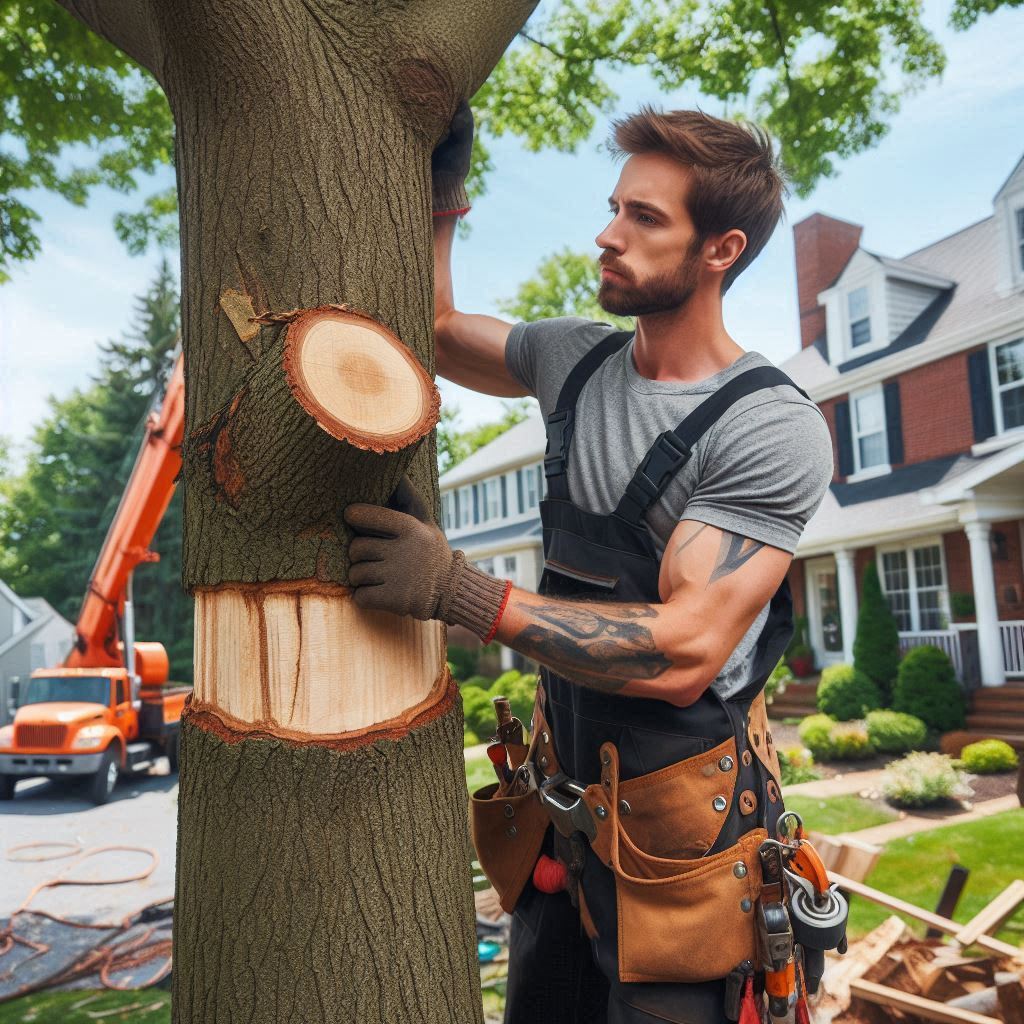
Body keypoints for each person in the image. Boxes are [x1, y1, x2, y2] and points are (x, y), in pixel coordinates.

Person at [343, 103, 835, 1024]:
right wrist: (442, 192)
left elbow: (688, 649)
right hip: (561, 820)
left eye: (645, 218)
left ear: (720, 249)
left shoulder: (767, 425)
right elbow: (440, 328)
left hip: (682, 845)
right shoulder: (573, 360)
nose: (607, 236)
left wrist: (460, 592)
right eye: (615, 207)